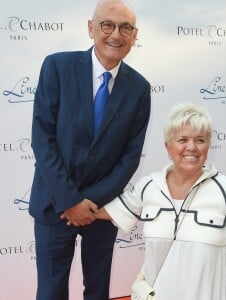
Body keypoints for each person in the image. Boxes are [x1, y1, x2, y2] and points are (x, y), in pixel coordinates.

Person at [29, 0, 151, 299]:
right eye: (107, 25)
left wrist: (90, 203)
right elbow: (42, 139)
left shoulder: (139, 88)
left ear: (134, 36)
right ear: (91, 28)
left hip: (102, 209)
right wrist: (70, 200)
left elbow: (129, 157)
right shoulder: (57, 67)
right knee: (51, 291)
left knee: (98, 291)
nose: (116, 35)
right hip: (55, 204)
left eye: (126, 28)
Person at [95, 103, 226, 300]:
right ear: (168, 146)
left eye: (200, 140)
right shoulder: (149, 185)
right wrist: (77, 208)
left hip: (210, 291)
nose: (191, 147)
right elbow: (118, 211)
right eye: (183, 140)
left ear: (208, 146)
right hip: (161, 291)